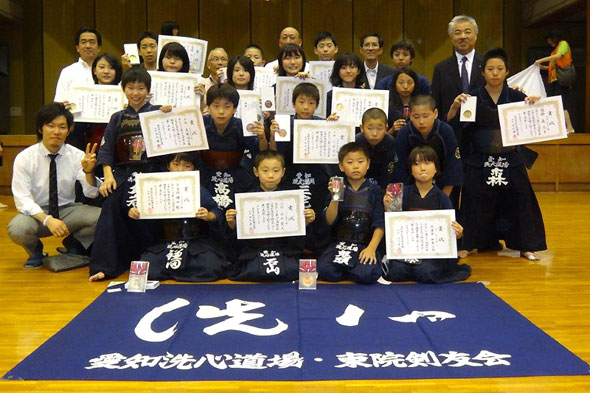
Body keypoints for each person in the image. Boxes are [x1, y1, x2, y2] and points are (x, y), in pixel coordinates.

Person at [447, 48, 546, 261]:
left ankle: (526, 246)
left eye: (499, 69)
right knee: (473, 199)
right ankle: (468, 244)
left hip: (510, 158)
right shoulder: (471, 97)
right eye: (490, 69)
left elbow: (534, 123)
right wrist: (455, 107)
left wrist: (534, 104)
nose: (495, 73)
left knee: (521, 198)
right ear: (482, 72)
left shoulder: (518, 96)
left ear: (507, 71)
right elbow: (454, 125)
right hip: (479, 158)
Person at [88, 67, 173, 281]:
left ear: (148, 90)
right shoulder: (117, 118)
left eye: (141, 88)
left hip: (152, 173)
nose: (136, 92)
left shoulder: (157, 112)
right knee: (110, 205)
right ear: (124, 89)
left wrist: (169, 113)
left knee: (151, 210)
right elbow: (106, 150)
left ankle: (151, 262)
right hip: (123, 174)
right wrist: (108, 176)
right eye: (131, 87)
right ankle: (105, 266)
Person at [8, 102, 101, 268]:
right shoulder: (25, 158)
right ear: (40, 129)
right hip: (38, 214)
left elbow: (91, 193)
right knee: (17, 228)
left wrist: (89, 173)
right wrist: (48, 220)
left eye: (62, 127)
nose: (56, 132)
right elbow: (23, 200)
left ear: (69, 130)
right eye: (51, 126)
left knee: (104, 218)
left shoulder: (77, 155)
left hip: (68, 210)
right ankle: (36, 252)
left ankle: (74, 245)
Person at [382, 145, 471, 283]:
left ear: (436, 168)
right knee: (396, 273)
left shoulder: (442, 197)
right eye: (416, 164)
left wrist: (458, 234)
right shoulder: (403, 193)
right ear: (411, 170)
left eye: (427, 163)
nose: (422, 168)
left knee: (425, 273)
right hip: (408, 248)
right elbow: (394, 223)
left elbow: (449, 228)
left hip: (431, 250)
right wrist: (388, 205)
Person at [133, 152, 227, 282]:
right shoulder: (156, 188)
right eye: (176, 164)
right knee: (149, 267)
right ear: (168, 166)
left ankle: (173, 273)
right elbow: (145, 218)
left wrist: (209, 215)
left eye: (187, 165)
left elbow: (216, 211)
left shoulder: (199, 190)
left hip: (194, 241)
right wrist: (137, 212)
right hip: (165, 242)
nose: (180, 169)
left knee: (210, 266)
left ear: (194, 168)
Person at [225, 150, 316, 281]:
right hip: (254, 250)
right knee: (250, 270)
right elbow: (235, 241)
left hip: (283, 249)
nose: (271, 176)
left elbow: (299, 239)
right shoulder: (245, 199)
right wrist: (232, 224)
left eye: (276, 170)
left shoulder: (291, 199)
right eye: (265, 170)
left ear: (283, 172)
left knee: (292, 270)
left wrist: (306, 222)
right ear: (256, 172)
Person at [268, 83, 337, 254]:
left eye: (311, 103)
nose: (306, 107)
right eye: (301, 102)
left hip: (317, 177)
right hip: (291, 176)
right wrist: (272, 134)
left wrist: (335, 129)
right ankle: (291, 248)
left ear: (317, 105)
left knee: (317, 210)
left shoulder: (323, 124)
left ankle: (317, 246)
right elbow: (275, 155)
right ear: (293, 103)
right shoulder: (284, 123)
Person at [318, 142, 385, 284]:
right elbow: (329, 221)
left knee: (366, 274)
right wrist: (335, 197)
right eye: (350, 162)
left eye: (360, 162)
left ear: (368, 164)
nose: (355, 166)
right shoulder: (338, 187)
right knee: (325, 271)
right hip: (339, 243)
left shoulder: (375, 191)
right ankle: (348, 268)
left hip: (364, 244)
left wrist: (371, 248)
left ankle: (353, 268)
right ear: (341, 166)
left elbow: (380, 223)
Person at [199, 83, 267, 213]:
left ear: (235, 109)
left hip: (235, 173)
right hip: (206, 172)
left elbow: (260, 153)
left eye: (227, 107)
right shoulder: (201, 123)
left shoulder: (241, 126)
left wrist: (262, 137)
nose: (221, 111)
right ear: (208, 107)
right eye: (216, 106)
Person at [393, 95, 463, 197]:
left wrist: (443, 198)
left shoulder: (445, 131)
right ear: (410, 116)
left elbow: (452, 167)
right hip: (411, 189)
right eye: (416, 117)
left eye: (425, 116)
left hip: (443, 187)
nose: (421, 121)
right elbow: (400, 170)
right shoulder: (404, 133)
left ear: (435, 113)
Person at [431, 15, 485, 125]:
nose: (463, 36)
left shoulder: (487, 64)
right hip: (451, 129)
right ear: (451, 38)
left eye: (467, 32)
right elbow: (435, 103)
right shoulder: (441, 69)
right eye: (457, 33)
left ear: (476, 36)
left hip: (482, 128)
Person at [66, 53, 123, 152]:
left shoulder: (124, 93)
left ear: (117, 71)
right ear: (94, 71)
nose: (106, 71)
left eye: (111, 68)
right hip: (88, 145)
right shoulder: (83, 93)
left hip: (116, 145)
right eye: (101, 67)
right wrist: (67, 110)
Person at [535, 29, 575, 133]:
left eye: (550, 40)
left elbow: (559, 56)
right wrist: (539, 67)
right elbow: (550, 68)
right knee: (557, 104)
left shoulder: (563, 44)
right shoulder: (554, 50)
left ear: (555, 38)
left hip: (561, 79)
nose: (549, 42)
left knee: (562, 103)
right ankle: (562, 127)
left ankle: (569, 127)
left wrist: (541, 60)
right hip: (554, 81)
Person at [54, 27, 102, 102]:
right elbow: (59, 101)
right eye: (83, 42)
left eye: (92, 42)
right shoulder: (67, 71)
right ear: (77, 48)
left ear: (99, 47)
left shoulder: (107, 71)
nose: (88, 46)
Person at [355, 108, 396, 190]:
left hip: (382, 181)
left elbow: (388, 172)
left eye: (379, 128)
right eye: (369, 128)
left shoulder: (390, 142)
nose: (374, 133)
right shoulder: (356, 141)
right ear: (362, 128)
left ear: (386, 128)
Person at [387, 68, 419, 135]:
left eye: (410, 83)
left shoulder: (420, 104)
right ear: (395, 84)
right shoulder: (387, 105)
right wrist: (392, 130)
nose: (405, 86)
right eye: (401, 83)